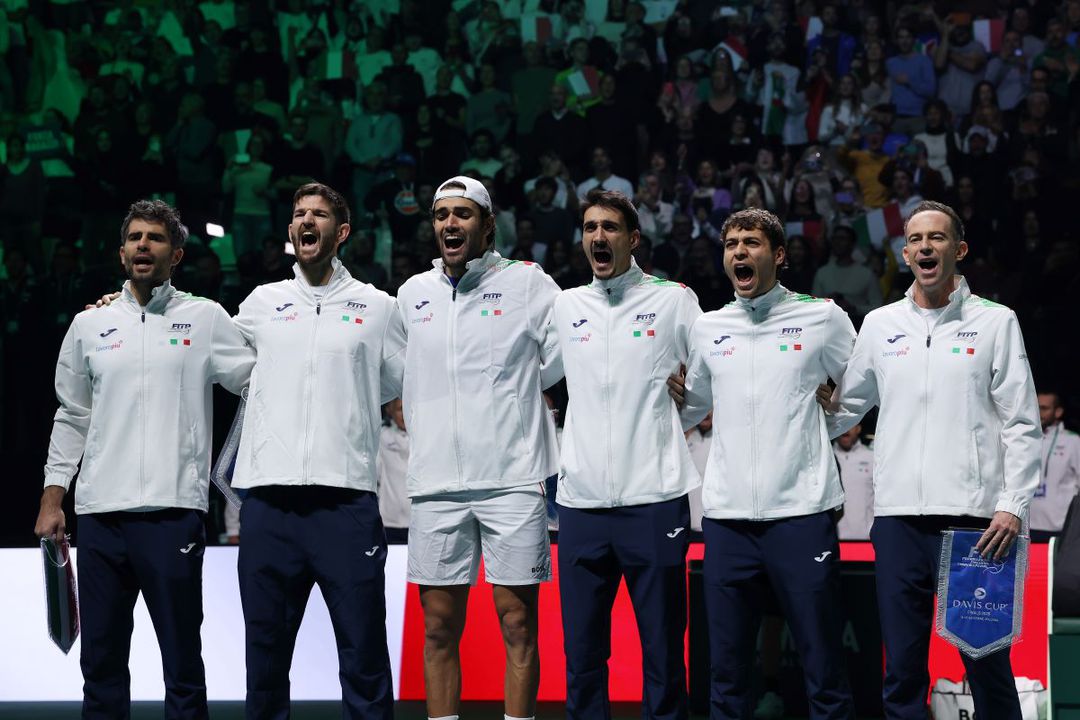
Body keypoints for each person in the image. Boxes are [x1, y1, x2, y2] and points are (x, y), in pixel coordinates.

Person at [34, 199, 255, 718]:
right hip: (100, 518)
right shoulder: (88, 324)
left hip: (173, 515)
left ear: (175, 254)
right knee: (101, 666)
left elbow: (259, 380)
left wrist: (239, 476)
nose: (142, 245)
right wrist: (52, 497)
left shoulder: (205, 318)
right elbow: (72, 415)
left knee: (183, 665)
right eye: (134, 237)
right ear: (121, 252)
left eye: (155, 238)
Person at [827, 200, 1041, 718]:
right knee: (902, 670)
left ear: (959, 249)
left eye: (937, 237)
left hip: (975, 524)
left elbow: (1021, 422)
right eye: (916, 239)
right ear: (905, 254)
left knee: (987, 666)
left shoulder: (996, 322)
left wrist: (1011, 505)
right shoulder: (880, 324)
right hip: (898, 521)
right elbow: (844, 409)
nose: (925, 247)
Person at [231, 182, 406, 718]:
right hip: (269, 505)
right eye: (299, 214)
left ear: (342, 231)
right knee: (264, 663)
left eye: (320, 214)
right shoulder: (261, 304)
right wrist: (124, 300)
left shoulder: (379, 308)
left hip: (345, 505)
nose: (307, 221)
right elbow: (210, 357)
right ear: (291, 230)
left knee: (364, 657)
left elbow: (398, 385)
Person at [677, 207, 857, 720]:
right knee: (727, 672)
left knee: (824, 666)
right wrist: (669, 397)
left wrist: (829, 419)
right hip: (728, 521)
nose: (739, 252)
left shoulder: (822, 317)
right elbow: (694, 403)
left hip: (802, 515)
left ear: (778, 255)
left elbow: (864, 385)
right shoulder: (709, 327)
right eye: (731, 244)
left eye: (751, 243)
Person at [395, 176, 561, 720]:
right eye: (441, 214)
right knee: (438, 628)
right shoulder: (412, 294)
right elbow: (388, 370)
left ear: (487, 225)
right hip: (435, 485)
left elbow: (566, 353)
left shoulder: (528, 283)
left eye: (462, 214)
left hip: (512, 480)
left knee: (518, 624)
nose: (450, 223)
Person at [544, 189, 702, 719]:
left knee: (663, 651)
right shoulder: (567, 306)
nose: (598, 236)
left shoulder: (673, 299)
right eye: (590, 227)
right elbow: (533, 374)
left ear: (633, 239)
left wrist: (681, 412)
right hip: (581, 503)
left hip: (654, 499)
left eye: (609, 227)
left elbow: (711, 375)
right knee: (582, 654)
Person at [1030, 392, 1080, 539]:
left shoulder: (1073, 441)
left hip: (1059, 527)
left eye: (1044, 408)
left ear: (1058, 412)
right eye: (1036, 407)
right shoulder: (1026, 439)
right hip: (1026, 525)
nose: (1038, 412)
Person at [377, 397, 411, 543]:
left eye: (407, 408)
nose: (404, 414)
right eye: (400, 409)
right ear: (389, 410)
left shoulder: (423, 439)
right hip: (390, 522)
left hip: (417, 521)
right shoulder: (382, 437)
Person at [833, 424, 874, 540]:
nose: (845, 428)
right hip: (834, 539)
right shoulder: (826, 459)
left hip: (866, 538)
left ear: (858, 428)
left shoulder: (872, 457)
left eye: (850, 424)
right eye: (842, 423)